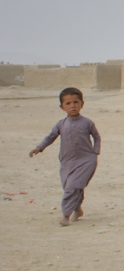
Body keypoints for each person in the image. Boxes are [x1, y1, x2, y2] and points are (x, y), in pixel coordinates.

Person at [29, 87, 101, 226]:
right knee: (72, 186)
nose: (72, 106)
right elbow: (50, 137)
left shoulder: (87, 123)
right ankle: (78, 210)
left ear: (82, 104)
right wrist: (39, 147)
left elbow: (96, 136)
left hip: (86, 160)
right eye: (68, 103)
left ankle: (65, 215)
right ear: (62, 107)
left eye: (75, 102)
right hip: (67, 161)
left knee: (73, 187)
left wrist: (95, 151)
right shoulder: (61, 124)